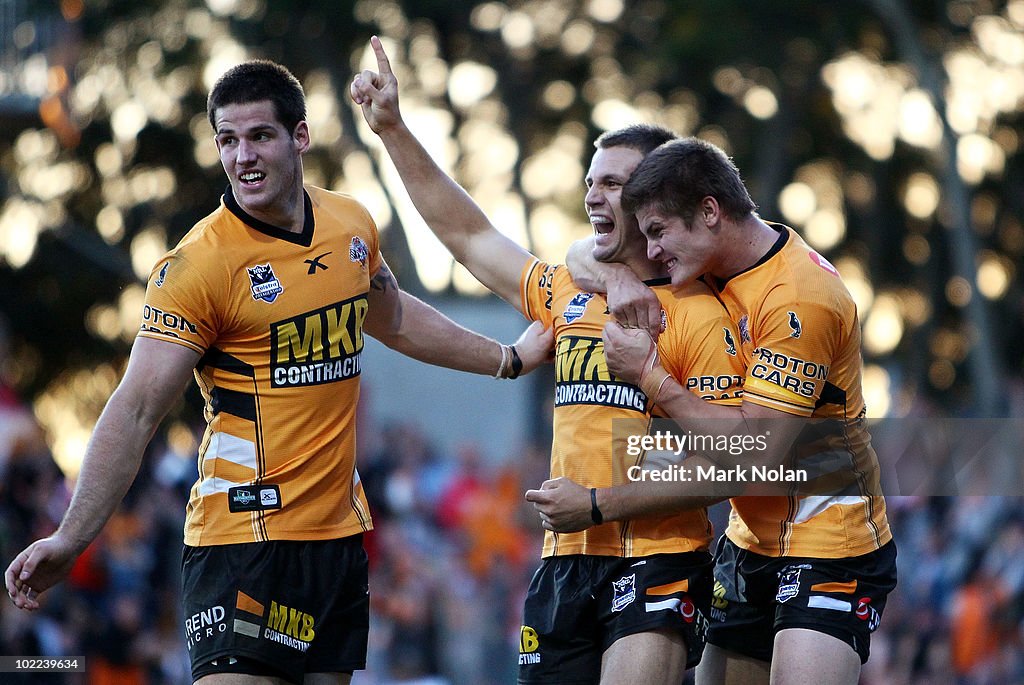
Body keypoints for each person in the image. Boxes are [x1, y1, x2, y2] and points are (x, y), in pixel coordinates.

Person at [4, 59, 554, 685]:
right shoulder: (199, 267)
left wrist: (506, 358)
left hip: (337, 543)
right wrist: (71, 538)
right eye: (227, 140)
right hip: (241, 539)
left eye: (259, 136)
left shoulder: (350, 226)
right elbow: (134, 410)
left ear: (299, 137)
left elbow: (394, 317)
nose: (242, 157)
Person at [351, 37, 744, 684]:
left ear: (657, 195)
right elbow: (469, 235)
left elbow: (729, 465)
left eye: (613, 184)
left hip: (659, 557)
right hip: (563, 560)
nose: (593, 196)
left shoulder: (702, 312)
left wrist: (597, 503)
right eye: (590, 182)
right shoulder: (567, 286)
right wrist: (393, 129)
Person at [529, 137, 897, 685]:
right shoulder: (720, 255)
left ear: (708, 212)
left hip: (830, 542)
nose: (652, 253)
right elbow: (582, 253)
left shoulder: (800, 297)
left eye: (658, 233)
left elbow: (756, 454)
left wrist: (650, 375)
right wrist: (617, 276)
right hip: (748, 541)